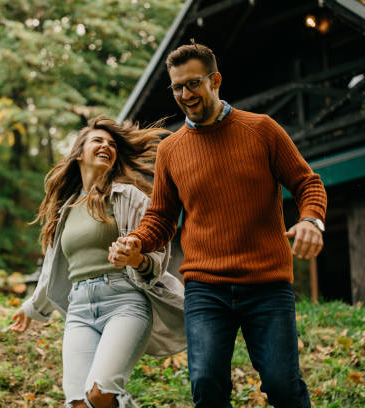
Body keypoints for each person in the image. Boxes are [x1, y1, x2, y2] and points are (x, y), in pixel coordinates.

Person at [108, 42, 327, 408]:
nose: (185, 94)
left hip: (266, 283)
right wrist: (136, 240)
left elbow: (308, 183)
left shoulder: (262, 130)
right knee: (207, 385)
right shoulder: (171, 150)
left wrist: (311, 220)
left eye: (193, 83)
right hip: (206, 288)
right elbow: (161, 217)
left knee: (282, 386)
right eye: (177, 87)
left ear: (215, 81)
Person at [10, 115, 185, 408]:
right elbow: (53, 269)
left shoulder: (128, 197)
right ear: (79, 153)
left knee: (101, 393)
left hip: (125, 303)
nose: (106, 146)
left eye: (112, 144)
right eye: (97, 141)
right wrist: (31, 307)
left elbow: (157, 253)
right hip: (79, 309)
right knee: (79, 403)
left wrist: (136, 258)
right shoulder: (64, 209)